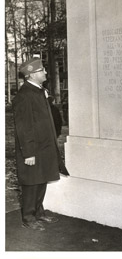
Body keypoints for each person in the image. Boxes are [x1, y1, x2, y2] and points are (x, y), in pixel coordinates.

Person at [12, 57, 69, 231]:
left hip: (43, 146)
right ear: (32, 74)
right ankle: (29, 218)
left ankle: (38, 212)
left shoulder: (38, 91)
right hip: (32, 148)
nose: (45, 72)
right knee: (31, 182)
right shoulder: (25, 95)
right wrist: (28, 152)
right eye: (42, 69)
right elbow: (24, 127)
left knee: (41, 179)